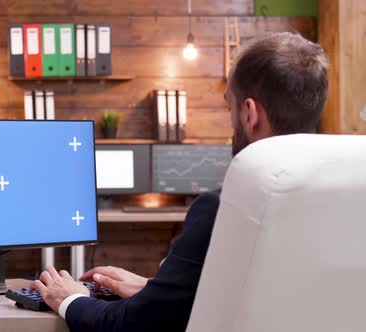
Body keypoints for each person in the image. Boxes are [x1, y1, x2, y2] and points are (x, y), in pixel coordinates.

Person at [31, 32, 329, 332]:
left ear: (249, 114)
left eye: (230, 107)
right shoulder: (340, 201)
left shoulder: (225, 209)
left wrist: (71, 299)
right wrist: (157, 290)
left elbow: (130, 326)